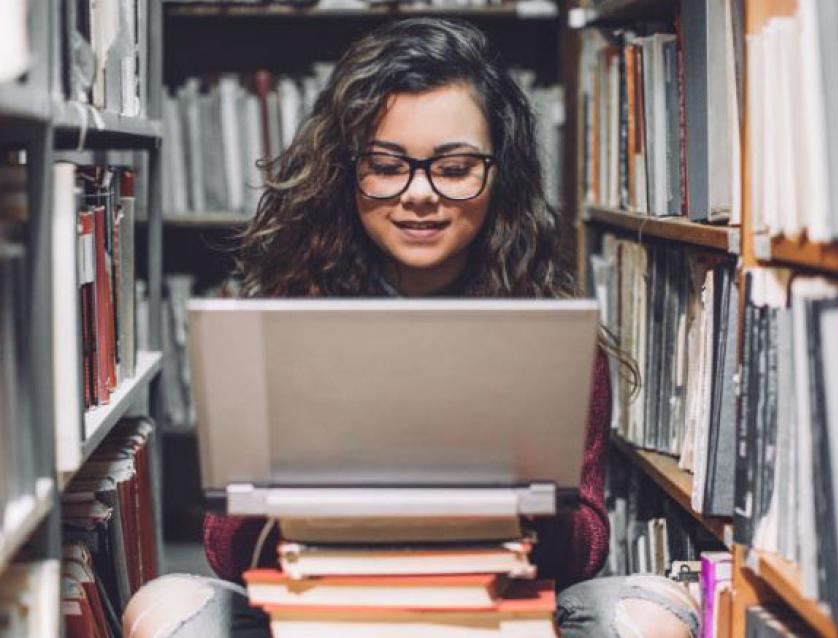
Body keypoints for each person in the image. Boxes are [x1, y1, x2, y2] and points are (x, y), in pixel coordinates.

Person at [123, 18, 699, 638]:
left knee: (654, 611)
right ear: (347, 173)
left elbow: (587, 547)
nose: (419, 194)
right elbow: (224, 550)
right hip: (318, 597)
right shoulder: (285, 319)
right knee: (167, 607)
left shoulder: (547, 330)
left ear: (499, 175)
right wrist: (288, 499)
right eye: (387, 164)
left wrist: (522, 501)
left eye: (453, 168)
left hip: (495, 604)